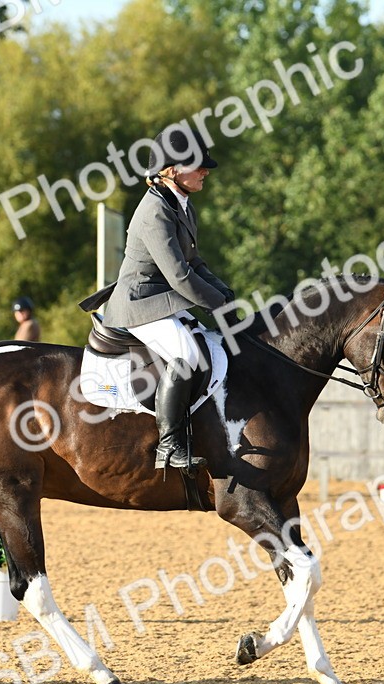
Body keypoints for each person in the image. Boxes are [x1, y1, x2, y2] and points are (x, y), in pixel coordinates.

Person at [82, 125, 235, 471]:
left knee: (206, 345)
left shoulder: (181, 204)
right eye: (198, 166)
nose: (205, 171)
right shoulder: (154, 212)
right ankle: (169, 445)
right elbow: (179, 276)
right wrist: (217, 305)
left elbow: (195, 263)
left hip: (161, 300)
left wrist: (223, 291)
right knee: (185, 354)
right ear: (171, 171)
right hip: (139, 304)